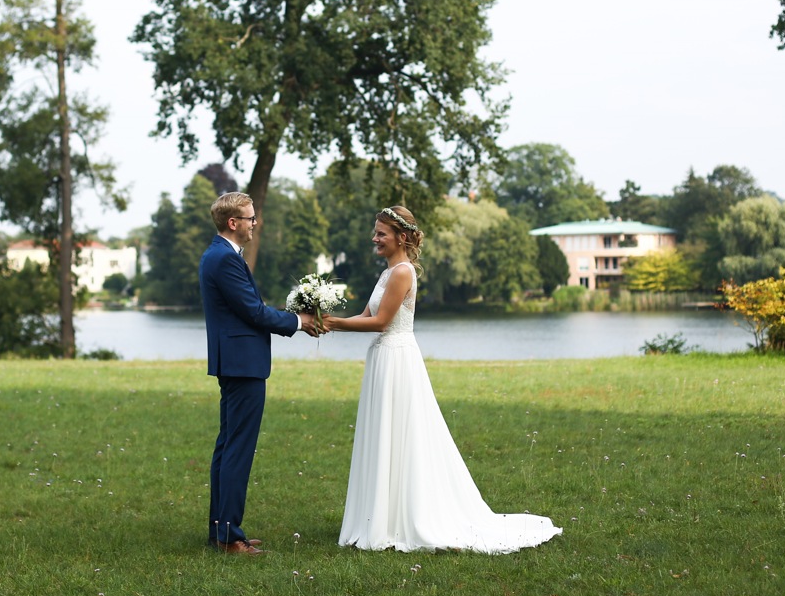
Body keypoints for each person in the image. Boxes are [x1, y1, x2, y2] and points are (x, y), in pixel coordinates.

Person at [322, 206, 562, 553]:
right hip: (382, 358)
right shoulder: (387, 273)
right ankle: (381, 516)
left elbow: (380, 322)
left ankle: (405, 517)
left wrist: (331, 323)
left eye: (381, 233)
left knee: (402, 433)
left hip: (397, 358)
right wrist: (328, 320)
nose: (374, 238)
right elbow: (365, 316)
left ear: (401, 237)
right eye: (375, 232)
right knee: (384, 433)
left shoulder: (402, 272)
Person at [201, 191, 321, 556]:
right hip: (241, 363)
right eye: (251, 218)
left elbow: (248, 308)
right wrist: (298, 321)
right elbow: (253, 311)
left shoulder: (221, 255)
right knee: (237, 449)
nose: (256, 223)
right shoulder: (224, 259)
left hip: (236, 361)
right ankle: (229, 538)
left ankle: (222, 531)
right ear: (233, 223)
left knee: (228, 447)